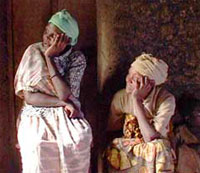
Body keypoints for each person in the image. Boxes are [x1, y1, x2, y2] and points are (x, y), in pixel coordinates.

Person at [14, 9, 92, 173]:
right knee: (38, 145)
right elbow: (29, 97)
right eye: (46, 33)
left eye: (53, 37)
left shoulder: (76, 59)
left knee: (78, 140)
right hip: (37, 112)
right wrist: (60, 103)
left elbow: (65, 93)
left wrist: (50, 58)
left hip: (66, 113)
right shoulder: (33, 52)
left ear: (67, 40)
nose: (46, 39)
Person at [106, 53, 175, 172]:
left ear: (150, 84)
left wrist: (137, 101)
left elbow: (151, 137)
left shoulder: (166, 100)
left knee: (159, 147)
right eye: (129, 73)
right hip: (131, 149)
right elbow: (112, 129)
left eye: (135, 78)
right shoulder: (121, 97)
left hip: (155, 151)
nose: (128, 79)